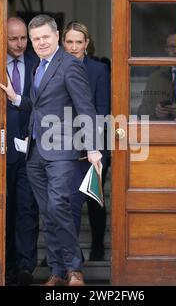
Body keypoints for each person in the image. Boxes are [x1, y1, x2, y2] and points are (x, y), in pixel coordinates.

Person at [1, 14, 102, 287]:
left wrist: (93, 148)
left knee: (59, 207)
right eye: (36, 39)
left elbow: (86, 108)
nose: (40, 42)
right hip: (35, 153)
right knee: (48, 213)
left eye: (45, 37)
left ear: (57, 36)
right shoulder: (38, 67)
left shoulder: (69, 65)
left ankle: (74, 269)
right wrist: (17, 98)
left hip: (62, 150)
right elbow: (41, 105)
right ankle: (57, 272)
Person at [62, 21, 111, 261]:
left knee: (94, 199)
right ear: (63, 43)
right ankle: (66, 252)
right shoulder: (54, 68)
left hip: (94, 146)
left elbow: (101, 111)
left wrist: (90, 146)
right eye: (69, 42)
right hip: (60, 145)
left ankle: (98, 247)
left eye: (78, 42)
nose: (73, 47)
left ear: (87, 44)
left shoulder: (99, 70)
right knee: (64, 201)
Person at [2, 17, 39, 286]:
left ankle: (26, 267)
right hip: (0, 149)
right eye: (13, 38)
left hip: (31, 150)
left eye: (23, 38)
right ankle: (5, 265)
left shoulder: (37, 64)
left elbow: (42, 105)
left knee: (27, 209)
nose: (19, 44)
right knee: (5, 208)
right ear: (3, 38)